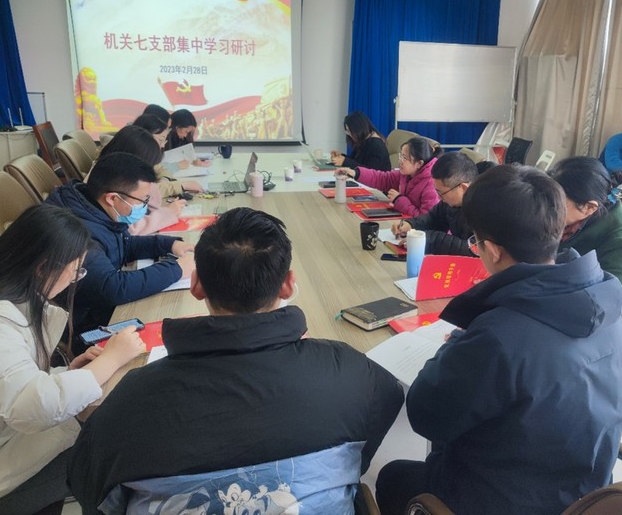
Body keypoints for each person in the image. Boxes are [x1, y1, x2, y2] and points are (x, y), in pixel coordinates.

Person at [68, 207, 404, 514]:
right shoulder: (349, 371)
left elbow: (87, 486)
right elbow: (384, 411)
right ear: (288, 285)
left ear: (196, 285)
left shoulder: (133, 398)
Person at [376, 165, 622, 515]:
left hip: (511, 500)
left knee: (391, 478)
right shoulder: (603, 299)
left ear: (492, 250)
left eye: (475, 242)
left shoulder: (499, 335)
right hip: (587, 495)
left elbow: (425, 415)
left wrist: (455, 345)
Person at [0, 205, 145, 515]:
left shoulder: (16, 302)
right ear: (43, 268)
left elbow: (13, 386)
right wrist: (109, 361)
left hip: (13, 442)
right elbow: (30, 407)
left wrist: (66, 373)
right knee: (112, 449)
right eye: (76, 271)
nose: (76, 279)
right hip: (5, 475)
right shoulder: (3, 322)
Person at [44, 152, 195, 352]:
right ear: (113, 198)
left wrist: (168, 244)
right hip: (83, 328)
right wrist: (176, 269)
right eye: (142, 200)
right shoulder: (77, 231)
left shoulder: (90, 207)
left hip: (97, 309)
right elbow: (113, 288)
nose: (144, 206)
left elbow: (124, 245)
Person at [549, 156, 622, 392]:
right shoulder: (571, 227)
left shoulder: (621, 245)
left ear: (589, 207)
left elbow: (593, 313)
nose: (548, 211)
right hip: (573, 337)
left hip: (612, 355)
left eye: (556, 204)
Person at [97, 126, 185, 235]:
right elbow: (129, 229)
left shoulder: (116, 169)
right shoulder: (113, 181)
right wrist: (167, 213)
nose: (163, 145)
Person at [391, 151, 477, 256]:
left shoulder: (486, 208)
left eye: (441, 193)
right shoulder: (450, 202)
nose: (439, 197)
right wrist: (411, 225)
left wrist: (428, 240)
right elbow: (434, 219)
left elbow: (474, 250)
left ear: (463, 188)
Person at [337, 136, 441, 216]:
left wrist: (398, 200)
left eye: (405, 158)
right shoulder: (406, 174)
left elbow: (426, 220)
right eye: (401, 156)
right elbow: (382, 179)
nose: (400, 161)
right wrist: (355, 173)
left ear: (419, 163)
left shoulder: (432, 184)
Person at [132, 113, 203, 196]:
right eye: (160, 140)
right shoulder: (131, 160)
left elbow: (160, 169)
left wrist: (164, 180)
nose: (163, 145)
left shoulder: (146, 156)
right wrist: (181, 185)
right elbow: (144, 193)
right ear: (145, 136)